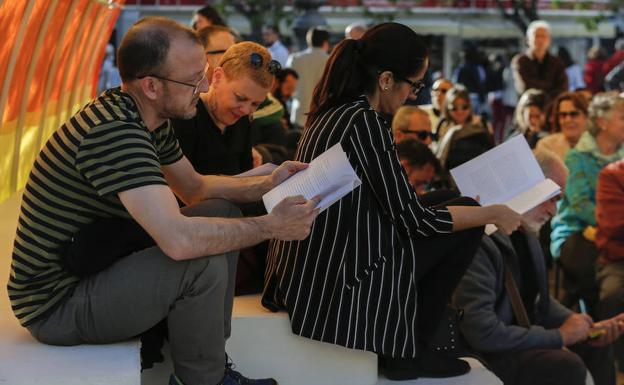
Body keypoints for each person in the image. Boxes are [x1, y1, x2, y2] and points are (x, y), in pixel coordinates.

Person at [7, 17, 320, 385]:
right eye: (193, 80)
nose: (203, 86)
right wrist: (271, 226)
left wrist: (267, 183)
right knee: (198, 264)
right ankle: (204, 380)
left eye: (204, 73)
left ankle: (214, 363)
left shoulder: (146, 118)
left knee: (222, 210)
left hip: (90, 269)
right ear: (151, 85)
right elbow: (178, 239)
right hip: (56, 304)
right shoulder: (116, 132)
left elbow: (195, 188)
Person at [262, 22, 522, 381]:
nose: (415, 95)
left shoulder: (337, 110)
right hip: (334, 282)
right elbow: (412, 220)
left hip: (316, 267)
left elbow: (396, 203)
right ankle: (409, 352)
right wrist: (488, 214)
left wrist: (463, 210)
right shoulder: (364, 122)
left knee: (453, 200)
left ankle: (411, 344)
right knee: (468, 220)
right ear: (386, 79)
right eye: (414, 84)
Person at [454, 148, 624, 385]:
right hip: (485, 354)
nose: (553, 211)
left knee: (594, 347)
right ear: (525, 187)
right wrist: (559, 336)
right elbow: (482, 332)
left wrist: (585, 327)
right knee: (566, 366)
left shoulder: (525, 234)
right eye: (550, 197)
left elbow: (536, 300)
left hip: (515, 339)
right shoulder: (478, 243)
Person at [551, 92, 624, 311]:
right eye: (622, 116)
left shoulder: (621, 156)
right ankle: (592, 326)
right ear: (602, 122)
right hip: (575, 230)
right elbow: (579, 206)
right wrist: (608, 224)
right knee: (599, 271)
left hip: (612, 231)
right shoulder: (577, 157)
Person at [172, 31, 254, 177]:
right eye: (227, 53)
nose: (236, 60)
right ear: (200, 57)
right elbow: (187, 188)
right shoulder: (182, 111)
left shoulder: (243, 114)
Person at [596, 159, 624, 371]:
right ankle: (616, 366)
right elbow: (615, 225)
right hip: (618, 257)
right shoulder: (612, 174)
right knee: (613, 294)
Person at [436, 85, 493, 171]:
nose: (460, 112)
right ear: (447, 108)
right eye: (454, 108)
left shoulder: (481, 124)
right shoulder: (444, 126)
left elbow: (492, 149)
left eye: (464, 107)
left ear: (469, 106)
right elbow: (441, 159)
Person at [512, 20, 568, 103]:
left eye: (544, 36)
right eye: (537, 36)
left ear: (549, 40)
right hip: (529, 107)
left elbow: (563, 87)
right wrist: (549, 87)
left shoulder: (557, 62)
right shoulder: (520, 61)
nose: (540, 40)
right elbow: (525, 87)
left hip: (552, 107)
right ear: (528, 39)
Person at [287, 27, 330, 129]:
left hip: (298, 112)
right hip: (321, 115)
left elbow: (287, 85)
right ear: (325, 42)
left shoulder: (295, 58)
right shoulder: (330, 60)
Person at [536, 91, 588, 162]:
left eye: (573, 114)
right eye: (563, 115)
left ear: (586, 116)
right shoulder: (546, 146)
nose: (568, 119)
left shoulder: (600, 144)